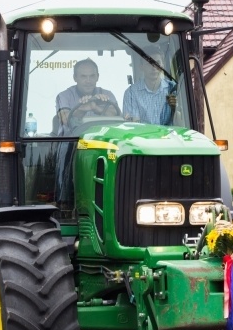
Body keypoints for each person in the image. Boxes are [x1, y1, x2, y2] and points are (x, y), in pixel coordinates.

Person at [54, 59, 119, 210]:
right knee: (64, 147)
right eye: (83, 76)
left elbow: (117, 115)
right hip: (72, 143)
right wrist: (84, 107)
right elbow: (64, 118)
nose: (88, 81)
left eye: (91, 76)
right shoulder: (64, 96)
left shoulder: (107, 95)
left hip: (101, 144)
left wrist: (96, 107)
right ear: (75, 77)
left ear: (97, 77)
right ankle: (64, 200)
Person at [122, 46, 177, 125]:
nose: (154, 67)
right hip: (142, 136)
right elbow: (133, 125)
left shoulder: (173, 89)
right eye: (149, 63)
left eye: (157, 63)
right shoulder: (131, 93)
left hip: (170, 136)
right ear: (141, 67)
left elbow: (182, 120)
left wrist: (177, 108)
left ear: (163, 65)